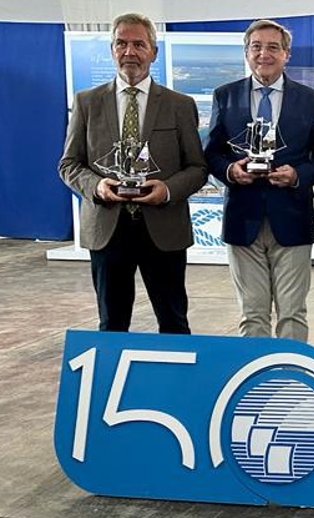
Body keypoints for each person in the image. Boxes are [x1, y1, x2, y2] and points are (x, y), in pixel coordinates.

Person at [58, 12, 207, 334]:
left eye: (139, 44)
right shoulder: (87, 103)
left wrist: (166, 190)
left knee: (174, 323)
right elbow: (69, 164)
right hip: (107, 229)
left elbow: (197, 168)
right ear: (112, 49)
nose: (130, 52)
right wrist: (97, 186)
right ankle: (112, 383)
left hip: (164, 230)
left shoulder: (179, 105)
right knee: (111, 324)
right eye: (122, 43)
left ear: (153, 51)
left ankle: (175, 385)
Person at [204, 19, 314, 341]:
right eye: (256, 46)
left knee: (292, 313)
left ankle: (292, 384)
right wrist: (231, 171)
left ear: (287, 54)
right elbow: (212, 154)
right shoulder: (225, 96)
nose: (264, 54)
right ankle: (257, 386)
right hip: (243, 219)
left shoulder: (310, 100)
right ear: (246, 52)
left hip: (293, 217)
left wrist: (298, 175)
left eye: (273, 47)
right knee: (252, 313)